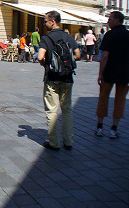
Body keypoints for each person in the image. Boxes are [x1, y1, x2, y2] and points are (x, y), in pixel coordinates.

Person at [38, 10, 81, 151]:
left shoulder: (46, 38)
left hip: (52, 78)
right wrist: (66, 63)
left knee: (52, 110)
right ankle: (68, 141)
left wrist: (47, 63)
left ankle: (54, 142)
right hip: (68, 78)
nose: (44, 24)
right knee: (67, 109)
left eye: (45, 21)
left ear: (53, 21)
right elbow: (78, 55)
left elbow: (39, 57)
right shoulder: (68, 37)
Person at [95, 11, 129, 139]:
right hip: (124, 73)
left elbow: (105, 56)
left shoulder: (110, 35)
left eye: (110, 19)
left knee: (103, 98)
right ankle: (114, 129)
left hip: (109, 72)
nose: (108, 21)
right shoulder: (128, 35)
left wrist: (100, 74)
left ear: (117, 20)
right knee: (120, 100)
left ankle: (99, 127)